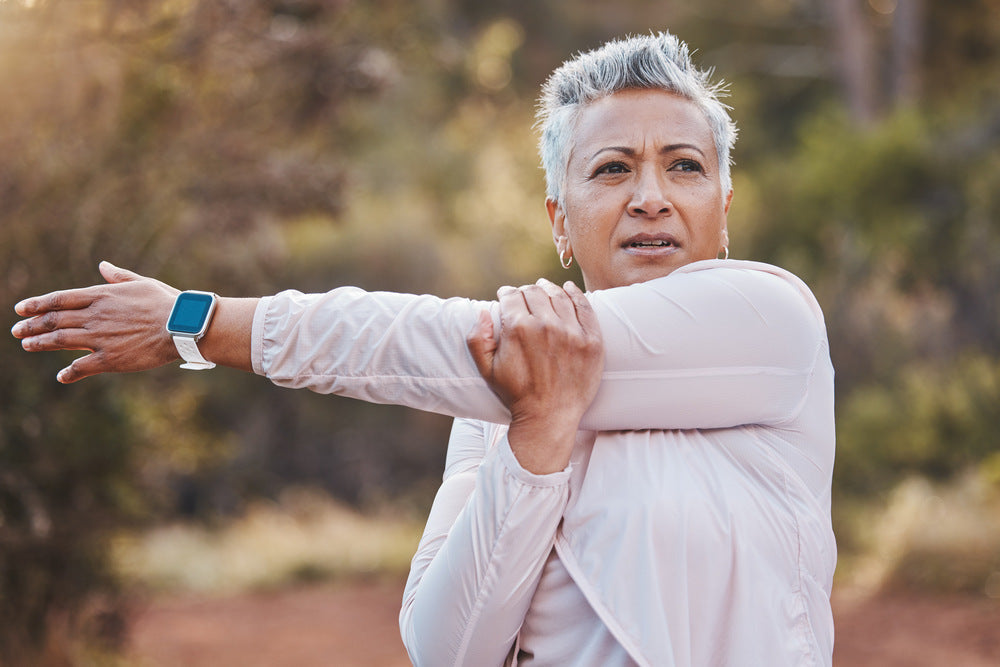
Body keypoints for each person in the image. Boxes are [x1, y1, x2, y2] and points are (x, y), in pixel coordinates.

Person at [11, 32, 836, 667]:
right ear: (558, 219)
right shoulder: (498, 411)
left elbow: (430, 338)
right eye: (613, 168)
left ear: (723, 207)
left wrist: (198, 320)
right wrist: (538, 441)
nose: (650, 197)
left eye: (683, 167)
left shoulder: (773, 322)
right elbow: (448, 645)